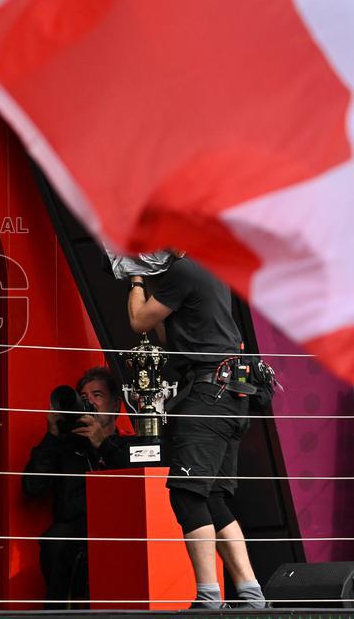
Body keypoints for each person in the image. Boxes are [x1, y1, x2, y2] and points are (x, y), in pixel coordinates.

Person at [127, 252, 265, 609]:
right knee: (213, 498)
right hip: (230, 393)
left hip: (209, 394)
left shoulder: (186, 268)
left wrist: (136, 279)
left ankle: (208, 596)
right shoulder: (210, 267)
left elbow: (139, 321)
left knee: (187, 495)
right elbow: (166, 330)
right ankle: (252, 595)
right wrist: (156, 285)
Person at [22, 367, 126, 607]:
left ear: (115, 405)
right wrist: (52, 435)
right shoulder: (64, 445)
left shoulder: (126, 443)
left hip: (119, 528)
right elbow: (31, 487)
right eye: (84, 396)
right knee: (55, 539)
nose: (89, 402)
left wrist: (102, 444)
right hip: (73, 529)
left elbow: (136, 483)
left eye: (97, 395)